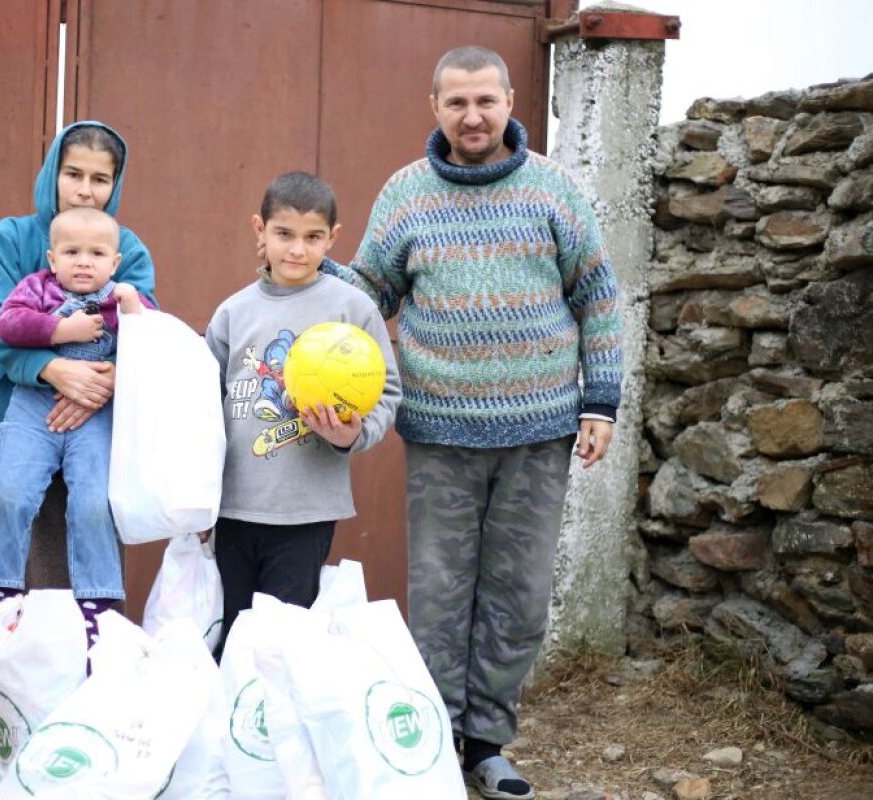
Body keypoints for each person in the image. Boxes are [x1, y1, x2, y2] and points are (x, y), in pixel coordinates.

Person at [321, 46, 623, 800]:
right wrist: (302, 279)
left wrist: (601, 400)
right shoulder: (405, 195)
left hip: (540, 432)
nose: (473, 115)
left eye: (486, 100)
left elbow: (598, 294)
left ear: (511, 99)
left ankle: (487, 743)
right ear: (435, 107)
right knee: (440, 597)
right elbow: (369, 290)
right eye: (457, 103)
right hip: (440, 434)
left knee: (518, 596)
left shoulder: (554, 189)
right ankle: (429, 742)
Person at [0, 121, 157, 783]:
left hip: (93, 431)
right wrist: (56, 371)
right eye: (74, 173)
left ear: (116, 186)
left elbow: (144, 331)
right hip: (8, 425)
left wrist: (96, 386)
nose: (85, 188)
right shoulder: (12, 238)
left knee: (70, 571)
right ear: (52, 171)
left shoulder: (126, 248)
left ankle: (67, 725)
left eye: (100, 178)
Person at [205, 171, 402, 654]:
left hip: (306, 511)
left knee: (284, 642)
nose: (297, 250)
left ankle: (277, 730)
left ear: (333, 238)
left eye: (313, 238)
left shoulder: (351, 309)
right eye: (284, 235)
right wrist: (198, 496)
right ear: (260, 230)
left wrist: (350, 437)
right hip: (234, 508)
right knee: (231, 636)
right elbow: (204, 408)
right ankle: (232, 727)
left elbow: (388, 391)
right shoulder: (233, 313)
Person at [0, 206, 152, 625]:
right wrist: (62, 331)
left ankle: (98, 607)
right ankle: (3, 592)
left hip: (94, 413)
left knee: (93, 503)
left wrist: (133, 308)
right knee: (9, 491)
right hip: (34, 405)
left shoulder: (122, 297)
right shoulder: (37, 288)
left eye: (96, 253)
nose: (84, 261)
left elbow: (151, 344)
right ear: (52, 260)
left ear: (115, 262)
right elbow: (8, 324)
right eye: (71, 252)